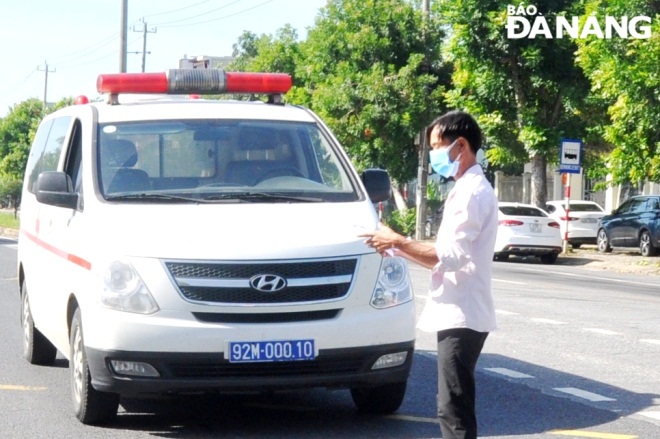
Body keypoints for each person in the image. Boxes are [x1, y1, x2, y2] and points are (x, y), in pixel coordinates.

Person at [361, 110, 498, 439]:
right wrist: (396, 247)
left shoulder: (471, 193)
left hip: (462, 313)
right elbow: (444, 257)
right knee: (451, 404)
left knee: (453, 409)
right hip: (458, 310)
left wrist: (400, 241)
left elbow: (450, 256)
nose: (434, 156)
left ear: (460, 145)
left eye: (437, 147)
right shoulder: (466, 188)